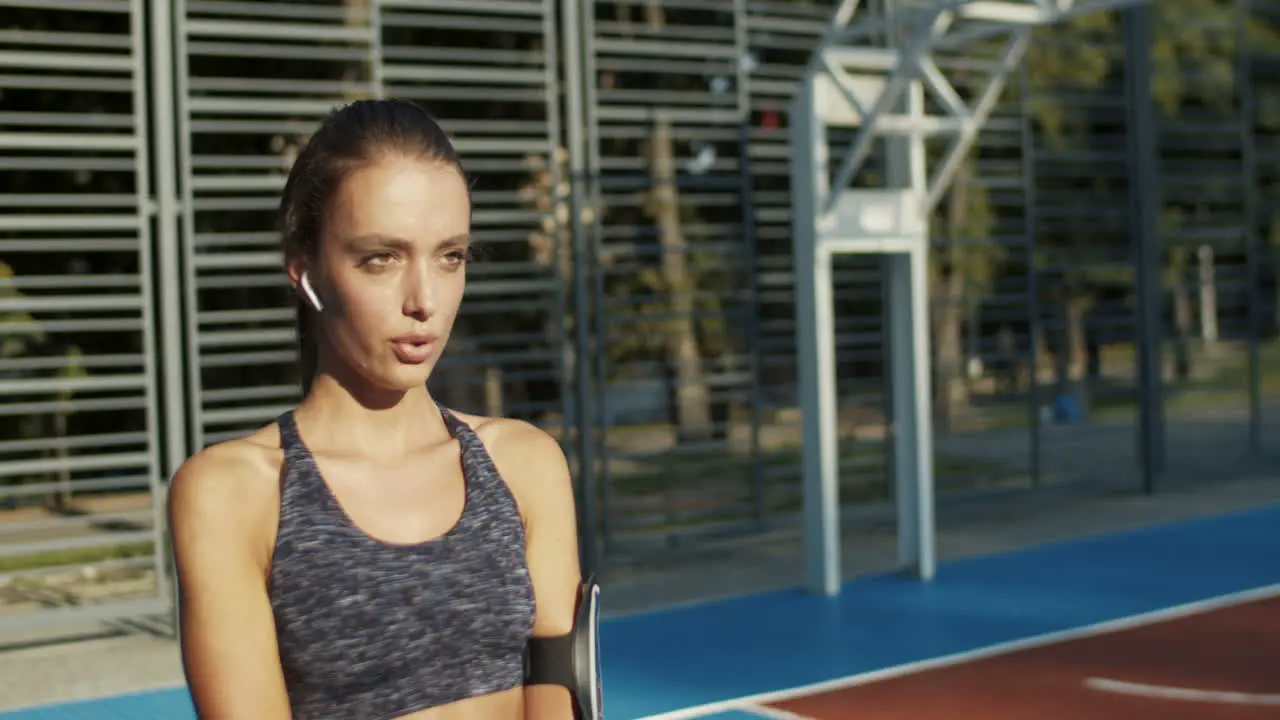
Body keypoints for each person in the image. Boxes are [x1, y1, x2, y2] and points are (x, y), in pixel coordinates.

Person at [168, 99, 585, 720]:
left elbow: (561, 702)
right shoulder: (234, 492)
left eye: (451, 256)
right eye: (381, 258)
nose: (424, 300)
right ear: (304, 269)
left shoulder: (525, 463)